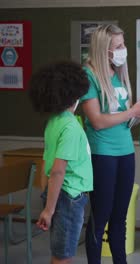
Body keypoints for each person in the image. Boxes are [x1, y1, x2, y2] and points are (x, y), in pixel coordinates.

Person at [81, 24, 140, 264]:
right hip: (103, 154)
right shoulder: (89, 75)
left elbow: (124, 121)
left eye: (123, 44)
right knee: (100, 216)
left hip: (124, 151)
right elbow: (98, 121)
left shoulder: (117, 74)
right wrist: (131, 110)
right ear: (104, 49)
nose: (124, 50)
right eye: (119, 46)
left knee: (120, 217)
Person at [29, 60, 93, 264]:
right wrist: (49, 210)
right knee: (63, 256)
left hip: (58, 194)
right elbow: (58, 170)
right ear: (74, 95)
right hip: (69, 197)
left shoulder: (54, 122)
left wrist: (47, 201)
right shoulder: (71, 127)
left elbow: (46, 161)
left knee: (60, 252)